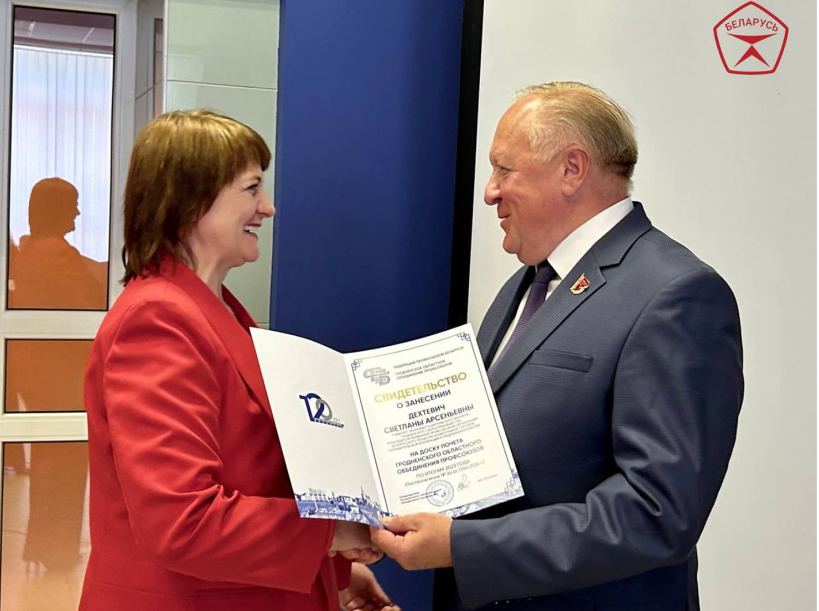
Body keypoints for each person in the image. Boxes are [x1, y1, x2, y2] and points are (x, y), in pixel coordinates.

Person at [372, 82, 743, 611]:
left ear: (572, 168)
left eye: (504, 169)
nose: (489, 192)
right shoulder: (529, 282)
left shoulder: (676, 294)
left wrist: (463, 546)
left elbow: (657, 512)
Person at [80, 110, 398, 611]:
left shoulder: (216, 310)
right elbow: (182, 521)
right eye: (251, 189)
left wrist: (336, 570)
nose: (267, 208)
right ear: (190, 201)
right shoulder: (158, 320)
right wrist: (334, 533)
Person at [8, 177, 107, 310]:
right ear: (57, 210)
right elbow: (87, 305)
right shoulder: (59, 253)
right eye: (73, 205)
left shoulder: (29, 247)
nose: (77, 213)